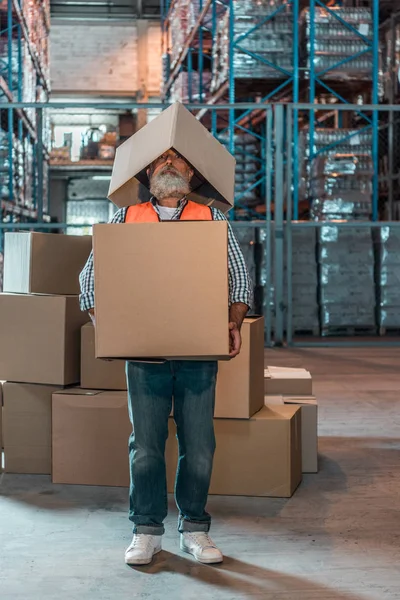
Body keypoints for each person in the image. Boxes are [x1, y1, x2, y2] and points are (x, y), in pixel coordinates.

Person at [79, 149, 253, 566]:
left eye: (178, 160)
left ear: (192, 172)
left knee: (200, 445)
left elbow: (240, 279)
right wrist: (110, 327)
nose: (169, 165)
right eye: (161, 161)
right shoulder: (126, 218)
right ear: (149, 172)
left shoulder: (213, 220)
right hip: (145, 355)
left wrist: (232, 322)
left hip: (197, 353)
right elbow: (90, 279)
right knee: (146, 447)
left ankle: (195, 530)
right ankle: (146, 531)